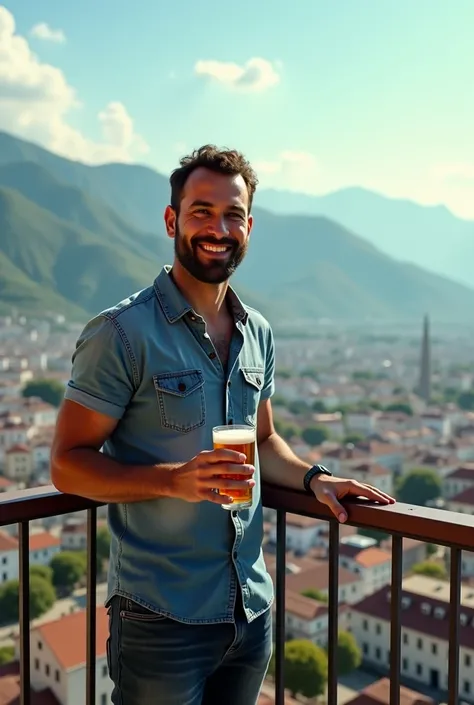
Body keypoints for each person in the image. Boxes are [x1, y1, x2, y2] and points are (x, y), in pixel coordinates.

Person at [51, 145, 395, 705]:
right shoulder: (121, 333)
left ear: (250, 226)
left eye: (233, 214)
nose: (219, 228)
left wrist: (314, 479)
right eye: (202, 212)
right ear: (172, 221)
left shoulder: (257, 330)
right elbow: (67, 465)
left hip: (249, 610)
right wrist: (172, 480)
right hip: (163, 615)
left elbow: (262, 440)